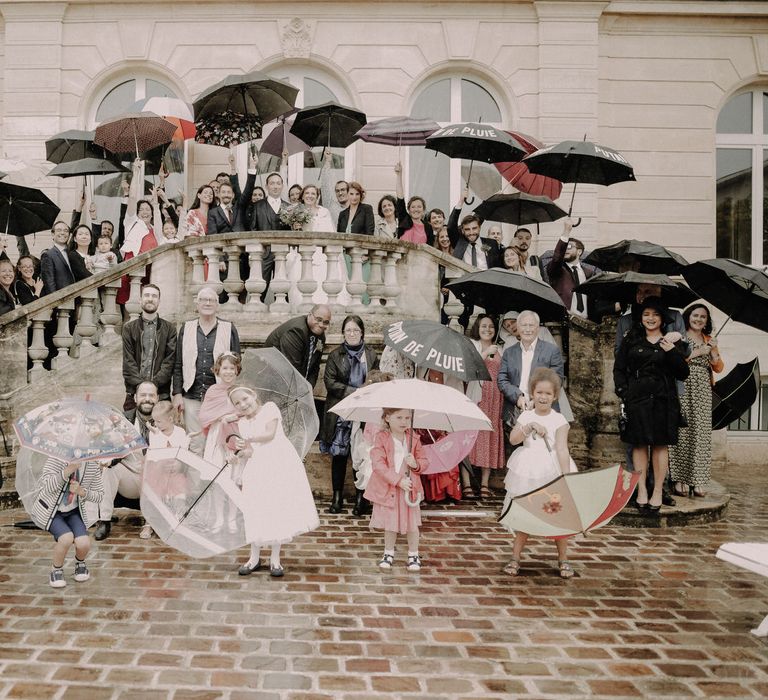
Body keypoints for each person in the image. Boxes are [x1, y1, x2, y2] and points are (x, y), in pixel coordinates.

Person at [225, 386, 319, 578]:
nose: (243, 404)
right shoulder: (242, 423)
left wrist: (248, 439)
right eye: (237, 403)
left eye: (245, 398)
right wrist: (238, 454)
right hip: (257, 467)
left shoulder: (270, 408)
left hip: (278, 463)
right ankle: (254, 557)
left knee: (275, 507)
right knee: (255, 508)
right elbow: (251, 452)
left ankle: (275, 558)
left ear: (253, 395)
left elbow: (269, 435)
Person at [614, 298, 690, 511]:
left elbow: (683, 373)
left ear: (662, 318)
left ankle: (657, 491)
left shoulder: (671, 341)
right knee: (638, 444)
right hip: (637, 399)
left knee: (659, 445)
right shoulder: (632, 340)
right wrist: (624, 392)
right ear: (641, 317)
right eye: (646, 314)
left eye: (655, 315)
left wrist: (671, 351)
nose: (650, 318)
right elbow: (619, 369)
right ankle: (642, 491)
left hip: (663, 400)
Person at [501, 367, 577, 579]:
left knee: (558, 515)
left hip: (551, 469)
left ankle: (563, 558)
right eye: (539, 392)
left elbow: (562, 448)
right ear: (532, 393)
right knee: (526, 512)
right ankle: (515, 557)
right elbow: (514, 440)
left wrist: (565, 475)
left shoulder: (559, 420)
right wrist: (530, 425)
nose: (543, 397)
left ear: (555, 396)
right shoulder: (526, 415)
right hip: (528, 470)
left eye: (548, 394)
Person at [321, 315, 379, 515]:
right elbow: (330, 383)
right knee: (339, 455)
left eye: (355, 330)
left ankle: (361, 498)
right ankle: (337, 498)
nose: (352, 334)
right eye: (348, 331)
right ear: (343, 333)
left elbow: (377, 380)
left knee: (361, 454)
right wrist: (355, 392)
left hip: (364, 411)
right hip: (341, 410)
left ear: (362, 332)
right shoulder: (335, 355)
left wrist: (367, 391)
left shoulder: (370, 355)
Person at [172, 287, 240, 454]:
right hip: (192, 394)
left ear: (218, 305)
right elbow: (178, 363)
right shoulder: (186, 328)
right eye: (203, 299)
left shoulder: (228, 328)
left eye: (212, 300)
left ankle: (215, 479)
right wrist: (177, 393)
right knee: (195, 444)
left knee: (219, 443)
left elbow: (237, 365)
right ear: (197, 303)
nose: (207, 303)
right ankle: (197, 480)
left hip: (220, 396)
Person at [669, 304, 724, 498]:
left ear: (707, 321)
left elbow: (718, 368)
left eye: (703, 317)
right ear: (688, 317)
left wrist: (713, 350)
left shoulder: (709, 339)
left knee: (700, 434)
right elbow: (674, 360)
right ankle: (680, 479)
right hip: (683, 385)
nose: (699, 319)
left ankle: (698, 480)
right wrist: (698, 352)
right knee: (682, 431)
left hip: (702, 389)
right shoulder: (679, 336)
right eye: (695, 315)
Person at [92, 381, 158, 541]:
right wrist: (108, 458)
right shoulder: (122, 420)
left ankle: (154, 521)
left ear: (158, 398)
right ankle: (104, 520)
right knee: (110, 470)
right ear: (135, 398)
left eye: (151, 395)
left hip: (156, 482)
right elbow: (112, 450)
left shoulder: (164, 420)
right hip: (132, 478)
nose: (147, 399)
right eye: (143, 395)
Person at [365, 408, 428, 571]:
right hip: (391, 488)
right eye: (399, 417)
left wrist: (416, 464)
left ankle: (413, 553)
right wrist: (398, 480)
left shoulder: (414, 438)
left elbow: (424, 460)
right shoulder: (381, 438)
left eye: (407, 418)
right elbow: (378, 464)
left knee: (412, 524)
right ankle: (388, 552)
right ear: (387, 418)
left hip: (410, 488)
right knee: (390, 523)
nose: (404, 422)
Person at [33, 456, 104, 588]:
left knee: (83, 543)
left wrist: (81, 491)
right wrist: (67, 471)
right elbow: (46, 486)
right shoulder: (56, 459)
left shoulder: (91, 464)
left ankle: (80, 563)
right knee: (66, 538)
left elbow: (99, 494)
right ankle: (56, 569)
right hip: (52, 512)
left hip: (73, 511)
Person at [497, 310, 565, 427]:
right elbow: (502, 379)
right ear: (519, 327)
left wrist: (536, 399)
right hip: (515, 412)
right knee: (515, 445)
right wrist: (517, 397)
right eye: (523, 325)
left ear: (537, 328)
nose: (527, 329)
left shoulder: (551, 351)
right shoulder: (509, 352)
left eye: (531, 325)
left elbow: (557, 380)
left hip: (544, 411)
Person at [465, 315, 505, 499]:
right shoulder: (472, 345)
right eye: (483, 326)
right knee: (469, 436)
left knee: (488, 436)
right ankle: (466, 483)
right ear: (477, 328)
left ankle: (484, 483)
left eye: (491, 326)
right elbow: (468, 369)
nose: (487, 329)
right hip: (476, 396)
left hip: (494, 398)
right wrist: (484, 353)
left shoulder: (500, 349)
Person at [122, 283, 177, 405]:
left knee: (162, 424)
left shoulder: (170, 329)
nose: (150, 299)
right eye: (147, 295)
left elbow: (169, 362)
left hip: (161, 393)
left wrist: (153, 386)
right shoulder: (129, 328)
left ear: (159, 301)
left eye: (154, 296)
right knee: (132, 423)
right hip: (134, 393)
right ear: (140, 299)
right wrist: (141, 387)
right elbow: (128, 362)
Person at [117, 161, 161, 305]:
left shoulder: (155, 229)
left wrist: (155, 201)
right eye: (141, 209)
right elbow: (132, 198)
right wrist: (135, 173)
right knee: (130, 303)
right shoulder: (132, 222)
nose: (144, 212)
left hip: (151, 271)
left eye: (147, 209)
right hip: (133, 268)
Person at [264, 304, 331, 389]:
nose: (321, 325)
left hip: (295, 381)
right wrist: (301, 390)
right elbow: (292, 368)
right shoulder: (296, 331)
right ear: (310, 315)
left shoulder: (320, 335)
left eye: (326, 322)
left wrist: (309, 388)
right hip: (273, 379)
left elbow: (315, 367)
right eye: (318, 319)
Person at [545, 218, 600, 320]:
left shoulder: (590, 274)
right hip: (564, 320)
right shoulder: (557, 269)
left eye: (569, 246)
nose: (566, 249)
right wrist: (566, 231)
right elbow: (557, 258)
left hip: (586, 323)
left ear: (579, 252)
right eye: (565, 247)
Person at [394, 162, 434, 244]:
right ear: (408, 209)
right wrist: (399, 175)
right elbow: (400, 197)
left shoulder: (428, 227)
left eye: (419, 207)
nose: (416, 209)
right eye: (413, 207)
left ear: (423, 210)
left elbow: (430, 247)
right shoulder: (404, 219)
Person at [40, 221, 75, 295]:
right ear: (53, 234)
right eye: (59, 230)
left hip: (76, 299)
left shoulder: (72, 253)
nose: (62, 233)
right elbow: (49, 283)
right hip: (61, 301)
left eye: (66, 231)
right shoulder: (48, 255)